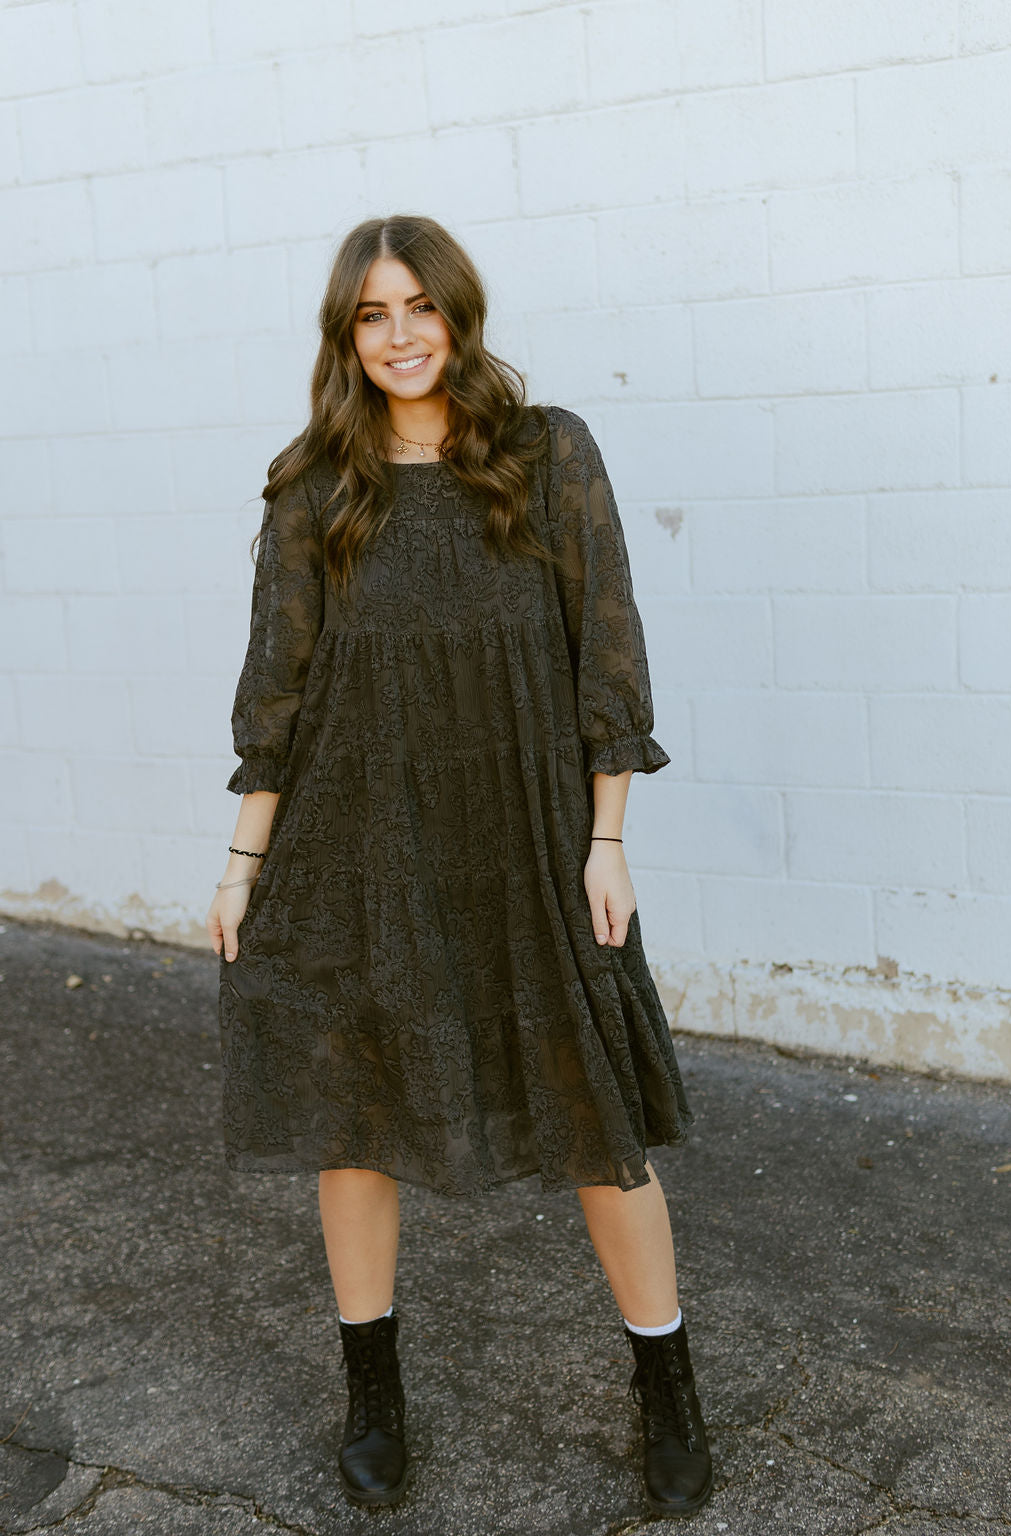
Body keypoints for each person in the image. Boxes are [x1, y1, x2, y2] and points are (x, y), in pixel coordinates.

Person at [205, 213, 713, 1520]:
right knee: (353, 1115)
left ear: (459, 314)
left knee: (598, 1113)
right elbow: (281, 688)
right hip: (359, 840)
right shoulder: (314, 483)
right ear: (346, 335)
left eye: (419, 307)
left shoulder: (548, 456)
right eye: (372, 315)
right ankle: (373, 1391)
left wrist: (608, 839)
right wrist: (241, 865)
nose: (400, 336)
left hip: (533, 833)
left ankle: (666, 1387)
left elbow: (610, 656)